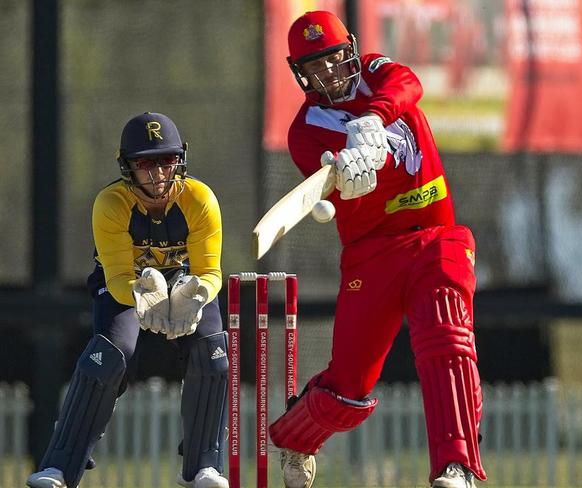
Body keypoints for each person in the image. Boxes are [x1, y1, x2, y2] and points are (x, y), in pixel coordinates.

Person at [268, 11, 487, 488]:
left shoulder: (376, 72)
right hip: (373, 254)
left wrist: (371, 119)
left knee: (447, 335)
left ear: (349, 49)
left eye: (332, 59)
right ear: (300, 73)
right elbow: (331, 187)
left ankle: (457, 467)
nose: (327, 73)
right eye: (315, 67)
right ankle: (295, 437)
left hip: (435, 235)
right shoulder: (305, 132)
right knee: (349, 391)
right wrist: (347, 175)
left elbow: (408, 84)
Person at [26, 112, 229, 488]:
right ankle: (59, 466)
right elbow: (118, 275)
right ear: (128, 167)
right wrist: (142, 297)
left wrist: (195, 295)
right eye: (146, 163)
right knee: (111, 351)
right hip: (128, 286)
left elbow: (211, 272)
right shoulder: (111, 203)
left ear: (180, 160)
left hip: (185, 284)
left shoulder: (200, 199)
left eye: (166, 161)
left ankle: (204, 466)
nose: (158, 174)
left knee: (213, 351)